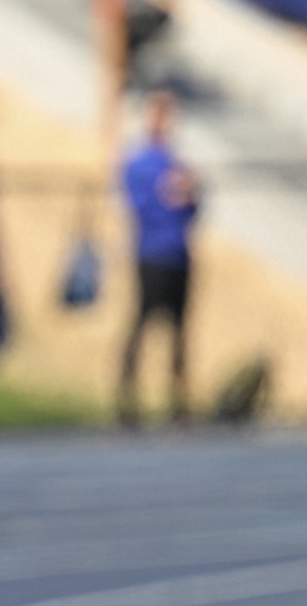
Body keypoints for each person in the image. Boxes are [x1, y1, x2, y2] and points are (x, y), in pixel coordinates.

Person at [117, 89, 201, 428]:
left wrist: (188, 194)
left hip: (178, 254)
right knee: (141, 324)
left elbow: (194, 208)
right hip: (151, 253)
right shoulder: (139, 163)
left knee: (179, 332)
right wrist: (165, 195)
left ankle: (178, 402)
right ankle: (126, 401)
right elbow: (136, 206)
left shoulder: (177, 163)